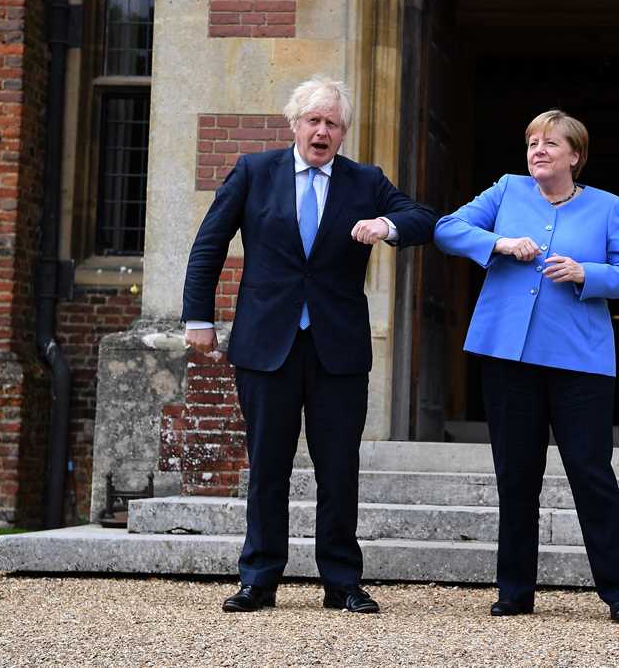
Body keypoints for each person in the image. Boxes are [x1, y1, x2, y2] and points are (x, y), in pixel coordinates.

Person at [181, 75, 437, 614]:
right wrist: (198, 316)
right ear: (293, 123)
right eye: (313, 120)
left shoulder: (365, 181)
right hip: (266, 344)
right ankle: (259, 579)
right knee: (267, 466)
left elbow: (423, 220)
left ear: (344, 133)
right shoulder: (255, 172)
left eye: (333, 123)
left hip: (337, 350)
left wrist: (385, 226)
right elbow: (209, 242)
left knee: (339, 468)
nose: (322, 131)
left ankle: (342, 581)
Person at [434, 109, 619, 622]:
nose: (538, 150)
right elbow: (447, 229)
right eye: (532, 142)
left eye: (551, 143)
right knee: (515, 475)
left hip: (581, 362)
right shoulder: (507, 192)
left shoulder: (607, 207)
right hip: (508, 357)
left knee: (591, 472)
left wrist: (586, 272)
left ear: (575, 155)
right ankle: (514, 591)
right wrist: (499, 243)